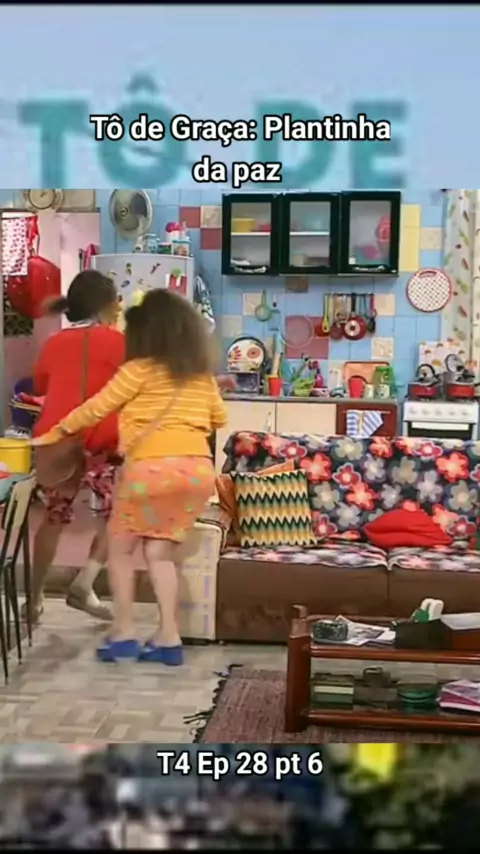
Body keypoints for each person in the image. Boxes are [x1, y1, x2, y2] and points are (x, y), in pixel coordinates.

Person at [32, 288, 227, 666]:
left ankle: (123, 633)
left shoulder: (137, 371)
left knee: (121, 549)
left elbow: (96, 408)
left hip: (151, 468)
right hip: (196, 472)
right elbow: (219, 418)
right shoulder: (200, 376)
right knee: (159, 552)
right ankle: (169, 639)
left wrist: (55, 433)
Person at [27, 270, 125, 623]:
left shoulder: (55, 343)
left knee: (54, 517)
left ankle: (34, 600)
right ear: (105, 305)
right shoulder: (118, 342)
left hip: (57, 440)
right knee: (120, 517)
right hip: (100, 442)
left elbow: (40, 385)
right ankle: (84, 584)